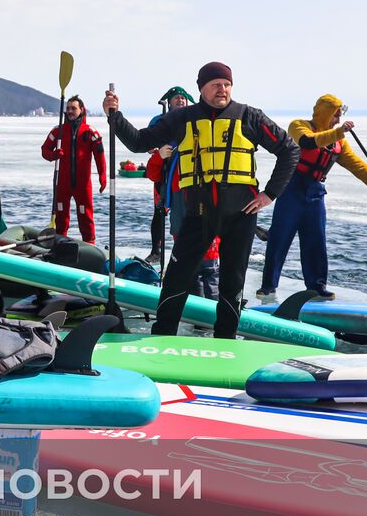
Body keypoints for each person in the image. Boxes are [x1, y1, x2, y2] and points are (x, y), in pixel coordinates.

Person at [104, 62, 299, 339]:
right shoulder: (183, 118)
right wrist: (115, 116)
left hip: (240, 215)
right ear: (202, 88)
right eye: (216, 84)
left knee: (232, 284)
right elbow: (138, 142)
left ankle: (225, 341)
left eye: (227, 84)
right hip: (198, 215)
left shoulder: (249, 117)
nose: (222, 89)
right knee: (175, 280)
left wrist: (270, 194)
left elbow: (289, 150)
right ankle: (163, 336)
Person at [258, 94, 367, 302]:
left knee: (315, 240)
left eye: (339, 117)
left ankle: (317, 286)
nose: (337, 120)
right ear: (324, 113)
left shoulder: (338, 141)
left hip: (315, 193)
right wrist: (339, 132)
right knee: (280, 238)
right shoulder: (299, 126)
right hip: (291, 188)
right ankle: (268, 286)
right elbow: (308, 143)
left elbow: (356, 165)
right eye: (335, 116)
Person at [40, 96, 107, 243]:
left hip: (82, 185)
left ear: (81, 110)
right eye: (68, 108)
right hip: (63, 184)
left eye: (73, 108)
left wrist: (103, 176)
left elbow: (100, 155)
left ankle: (90, 246)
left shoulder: (90, 132)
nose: (70, 111)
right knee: (61, 216)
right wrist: (53, 155)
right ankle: (59, 244)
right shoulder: (58, 131)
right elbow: (44, 150)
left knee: (85, 216)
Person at [145, 86, 193, 265]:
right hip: (163, 172)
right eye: (177, 98)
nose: (180, 101)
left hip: (186, 175)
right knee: (159, 212)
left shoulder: (193, 118)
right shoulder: (159, 121)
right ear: (170, 102)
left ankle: (185, 256)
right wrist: (155, 150)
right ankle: (156, 252)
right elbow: (148, 142)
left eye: (183, 98)